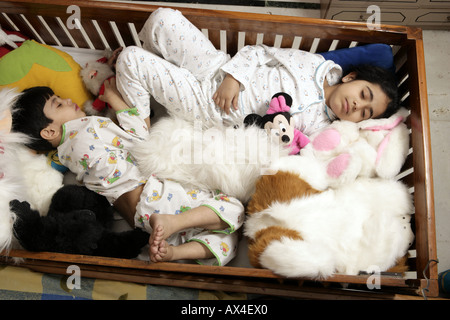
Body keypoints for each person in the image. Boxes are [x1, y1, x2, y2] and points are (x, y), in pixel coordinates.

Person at [10, 82, 244, 266]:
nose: (68, 100)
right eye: (58, 104)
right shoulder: (85, 130)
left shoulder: (67, 154)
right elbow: (140, 135)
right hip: (155, 194)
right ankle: (175, 225)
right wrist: (113, 98)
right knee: (235, 208)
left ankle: (173, 252)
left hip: (146, 216)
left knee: (228, 241)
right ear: (49, 130)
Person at [115, 8, 399, 136]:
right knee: (164, 19)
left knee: (130, 59)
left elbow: (286, 147)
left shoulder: (321, 128)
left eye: (365, 112)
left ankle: (140, 129)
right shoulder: (313, 64)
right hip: (219, 67)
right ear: (351, 77)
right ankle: (158, 67)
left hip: (212, 108)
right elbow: (260, 52)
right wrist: (233, 77)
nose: (357, 106)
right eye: (364, 95)